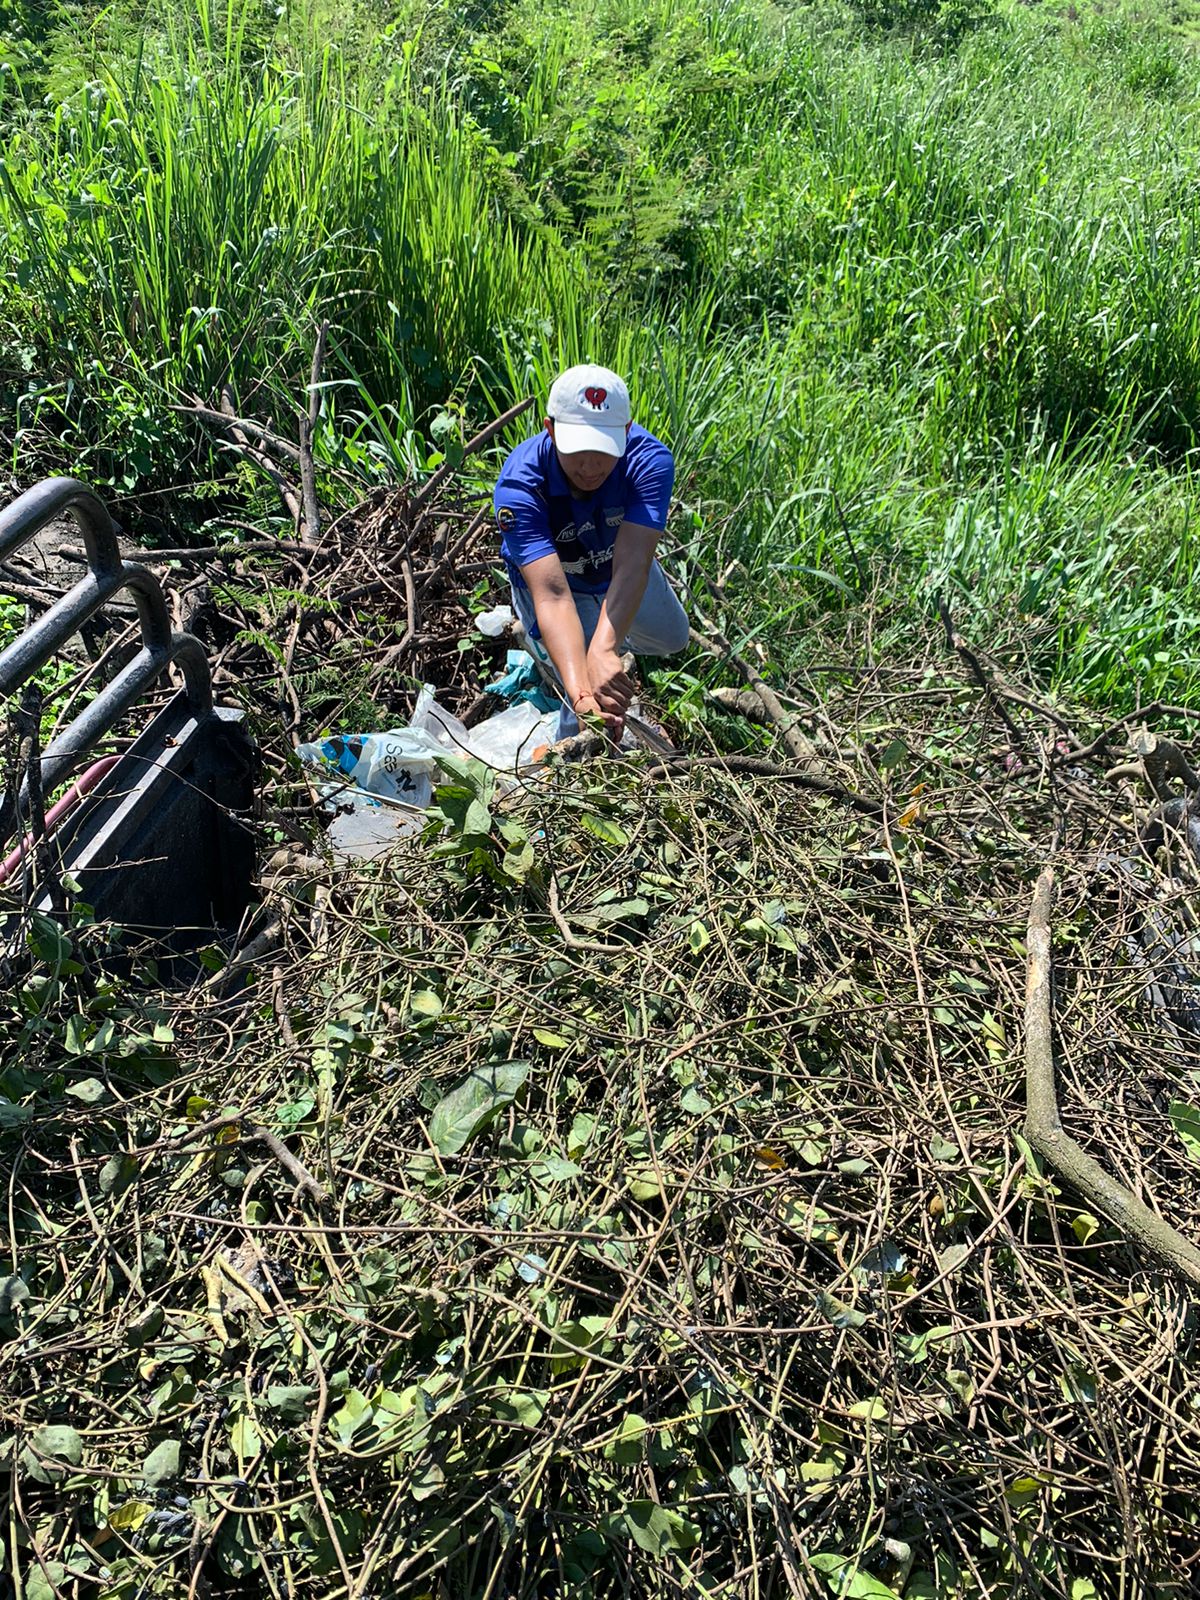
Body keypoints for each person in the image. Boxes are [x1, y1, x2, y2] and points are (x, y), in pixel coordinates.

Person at [492, 363, 689, 740]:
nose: (590, 466)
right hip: (558, 582)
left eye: (603, 449)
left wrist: (604, 648)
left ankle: (599, 642)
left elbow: (633, 563)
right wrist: (583, 691)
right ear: (550, 430)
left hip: (617, 565)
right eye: (577, 449)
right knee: (584, 700)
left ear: (626, 432)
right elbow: (553, 596)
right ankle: (572, 753)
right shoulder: (520, 486)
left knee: (673, 637)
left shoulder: (649, 461)